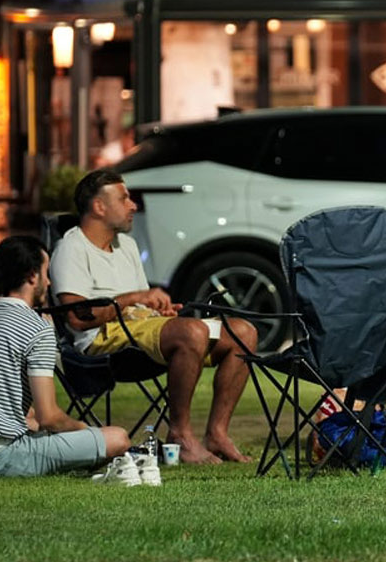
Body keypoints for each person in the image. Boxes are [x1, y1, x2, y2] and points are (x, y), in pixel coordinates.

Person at [49, 169, 258, 465]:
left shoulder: (127, 247)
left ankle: (217, 434)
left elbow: (142, 311)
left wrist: (160, 310)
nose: (133, 205)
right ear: (99, 206)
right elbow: (78, 317)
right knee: (191, 333)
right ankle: (181, 436)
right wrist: (137, 299)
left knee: (243, 332)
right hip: (102, 341)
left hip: (141, 330)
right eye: (124, 199)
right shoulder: (71, 248)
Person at [0, 235, 131, 477]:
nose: (50, 282)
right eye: (46, 272)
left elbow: (28, 416)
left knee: (34, 424)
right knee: (117, 437)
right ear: (32, 276)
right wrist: (86, 431)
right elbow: (49, 417)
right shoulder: (36, 327)